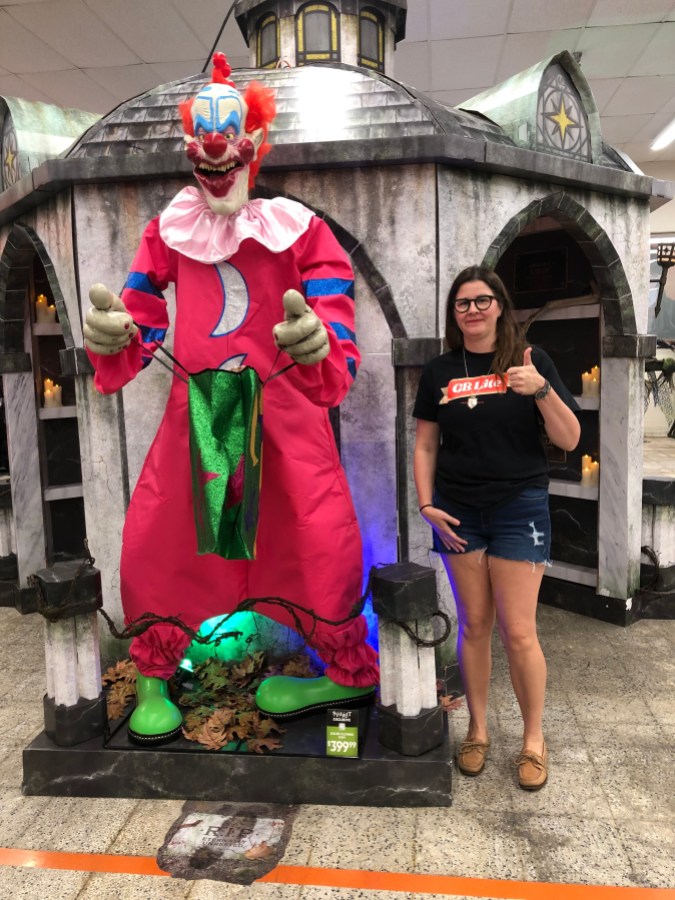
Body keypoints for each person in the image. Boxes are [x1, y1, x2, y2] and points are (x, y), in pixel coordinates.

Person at [83, 54, 378, 744]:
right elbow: (138, 314)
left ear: (254, 147)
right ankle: (154, 675)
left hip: (284, 413)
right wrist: (111, 333)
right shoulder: (170, 228)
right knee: (161, 542)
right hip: (201, 411)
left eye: (229, 142)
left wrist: (316, 340)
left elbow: (336, 327)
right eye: (202, 146)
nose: (215, 156)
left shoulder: (300, 230)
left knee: (314, 540)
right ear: (192, 154)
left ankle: (345, 669)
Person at [412, 265, 580, 790]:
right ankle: (478, 730)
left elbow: (571, 439)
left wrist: (542, 391)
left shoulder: (531, 362)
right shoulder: (440, 370)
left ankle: (533, 740)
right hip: (458, 511)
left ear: (500, 306)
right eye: (462, 303)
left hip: (518, 507)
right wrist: (425, 504)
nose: (473, 310)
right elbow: (424, 445)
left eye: (482, 300)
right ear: (453, 314)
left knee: (520, 630)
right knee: (475, 625)